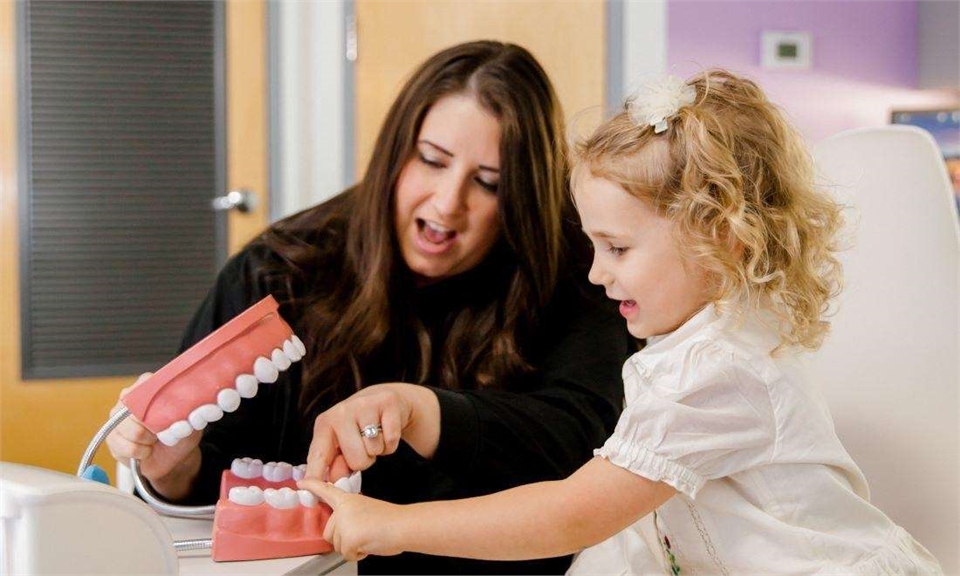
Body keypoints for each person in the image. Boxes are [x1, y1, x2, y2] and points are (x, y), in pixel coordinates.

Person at [300, 70, 944, 574]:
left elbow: (574, 513)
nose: (595, 274)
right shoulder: (695, 347)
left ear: (721, 239)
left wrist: (393, 524)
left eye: (618, 249)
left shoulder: (718, 372)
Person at [105, 40, 632, 574]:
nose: (448, 202)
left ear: (523, 196)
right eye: (431, 161)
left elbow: (591, 451)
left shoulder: (577, 275)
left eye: (488, 184)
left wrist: (424, 412)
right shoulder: (279, 270)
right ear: (395, 152)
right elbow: (210, 479)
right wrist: (174, 468)